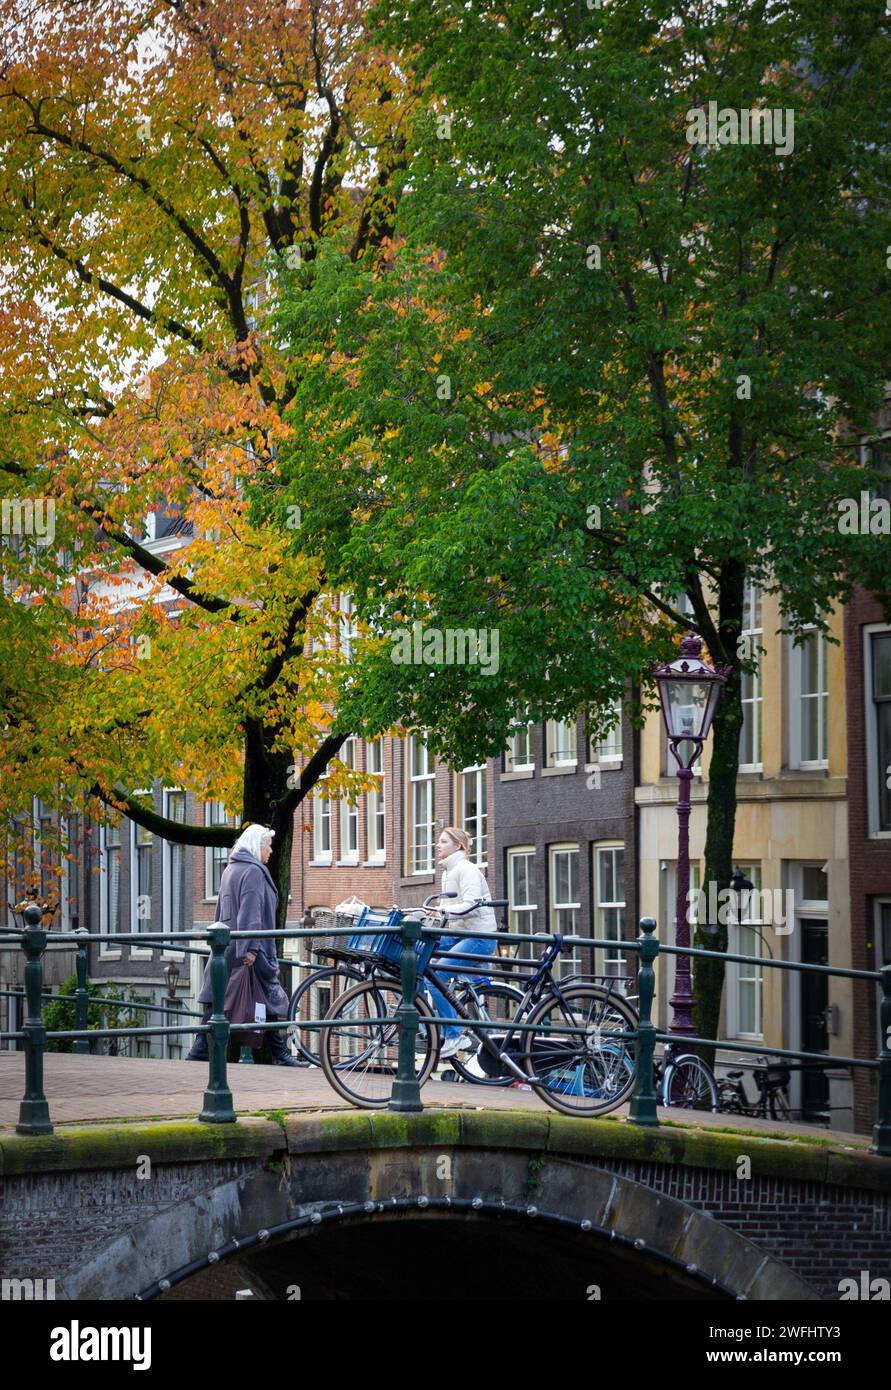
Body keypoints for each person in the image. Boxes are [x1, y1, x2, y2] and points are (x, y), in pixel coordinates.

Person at [186, 823, 300, 1066]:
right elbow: (251, 911)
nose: (271, 851)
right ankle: (280, 1055)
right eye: (268, 846)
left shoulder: (231, 869)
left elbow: (221, 912)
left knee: (225, 999)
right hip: (249, 950)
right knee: (270, 998)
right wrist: (250, 948)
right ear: (256, 846)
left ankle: (279, 1054)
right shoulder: (253, 872)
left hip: (227, 949)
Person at [426, 826, 498, 1059]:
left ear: (458, 846)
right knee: (419, 952)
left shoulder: (466, 870)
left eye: (444, 842)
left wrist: (441, 910)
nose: (438, 845)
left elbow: (472, 904)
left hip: (479, 937)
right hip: (461, 933)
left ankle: (455, 1034)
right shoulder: (449, 871)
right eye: (438, 841)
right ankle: (417, 1013)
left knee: (437, 974)